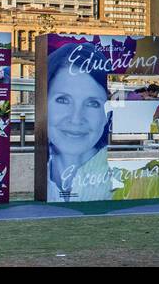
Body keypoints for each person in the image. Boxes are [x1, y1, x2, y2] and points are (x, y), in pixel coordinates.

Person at [46, 41, 114, 201]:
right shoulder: (39, 176)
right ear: (43, 104)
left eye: (93, 103)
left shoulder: (136, 182)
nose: (76, 119)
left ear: (107, 114)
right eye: (63, 100)